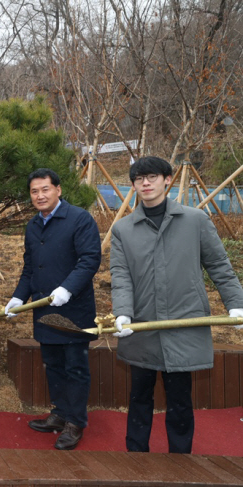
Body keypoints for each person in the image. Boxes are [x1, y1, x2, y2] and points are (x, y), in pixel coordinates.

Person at [110, 156, 243, 453]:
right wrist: (123, 313)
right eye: (139, 178)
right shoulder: (123, 230)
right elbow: (121, 277)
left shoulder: (195, 220)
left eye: (152, 176)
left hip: (184, 324)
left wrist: (236, 303)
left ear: (167, 179)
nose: (146, 183)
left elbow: (219, 265)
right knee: (140, 396)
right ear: (133, 185)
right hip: (143, 326)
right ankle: (136, 459)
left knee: (180, 399)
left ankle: (181, 461)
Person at [4, 168, 101, 450]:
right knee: (53, 365)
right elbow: (30, 267)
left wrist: (67, 288)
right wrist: (18, 298)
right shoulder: (33, 225)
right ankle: (59, 413)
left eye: (45, 189)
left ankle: (75, 422)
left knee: (75, 367)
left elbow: (89, 260)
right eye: (34, 191)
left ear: (58, 190)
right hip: (45, 309)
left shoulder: (79, 219)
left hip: (74, 310)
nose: (40, 195)